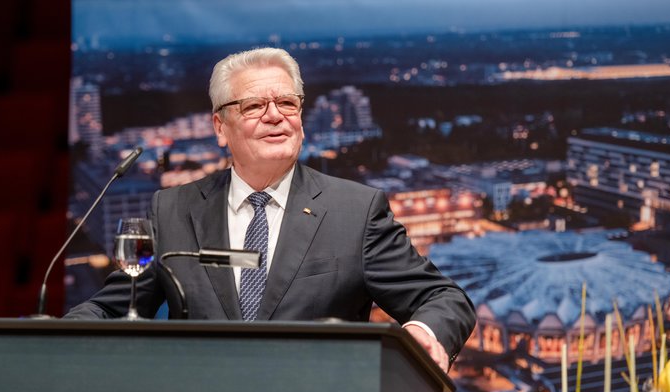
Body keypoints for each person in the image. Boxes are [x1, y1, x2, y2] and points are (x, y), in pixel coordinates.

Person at [66, 47, 476, 372]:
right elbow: (109, 308)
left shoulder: (356, 211)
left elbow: (444, 298)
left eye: (287, 103)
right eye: (253, 106)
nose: (275, 116)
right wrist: (50, 342)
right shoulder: (172, 209)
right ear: (220, 127)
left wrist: (424, 333)